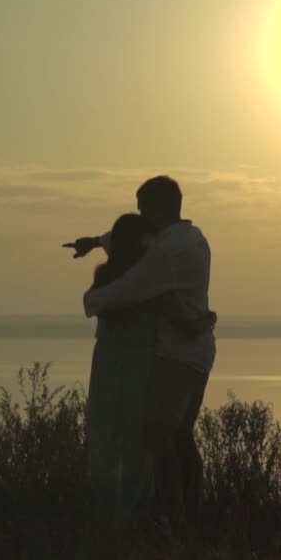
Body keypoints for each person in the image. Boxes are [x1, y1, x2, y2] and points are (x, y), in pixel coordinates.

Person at [65, 175, 216, 530]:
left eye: (142, 207)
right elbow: (129, 238)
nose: (139, 213)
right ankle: (189, 515)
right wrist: (94, 241)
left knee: (157, 438)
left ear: (156, 207)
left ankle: (174, 520)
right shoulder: (192, 237)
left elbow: (124, 290)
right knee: (179, 437)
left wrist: (92, 299)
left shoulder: (162, 255)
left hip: (176, 359)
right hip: (197, 355)